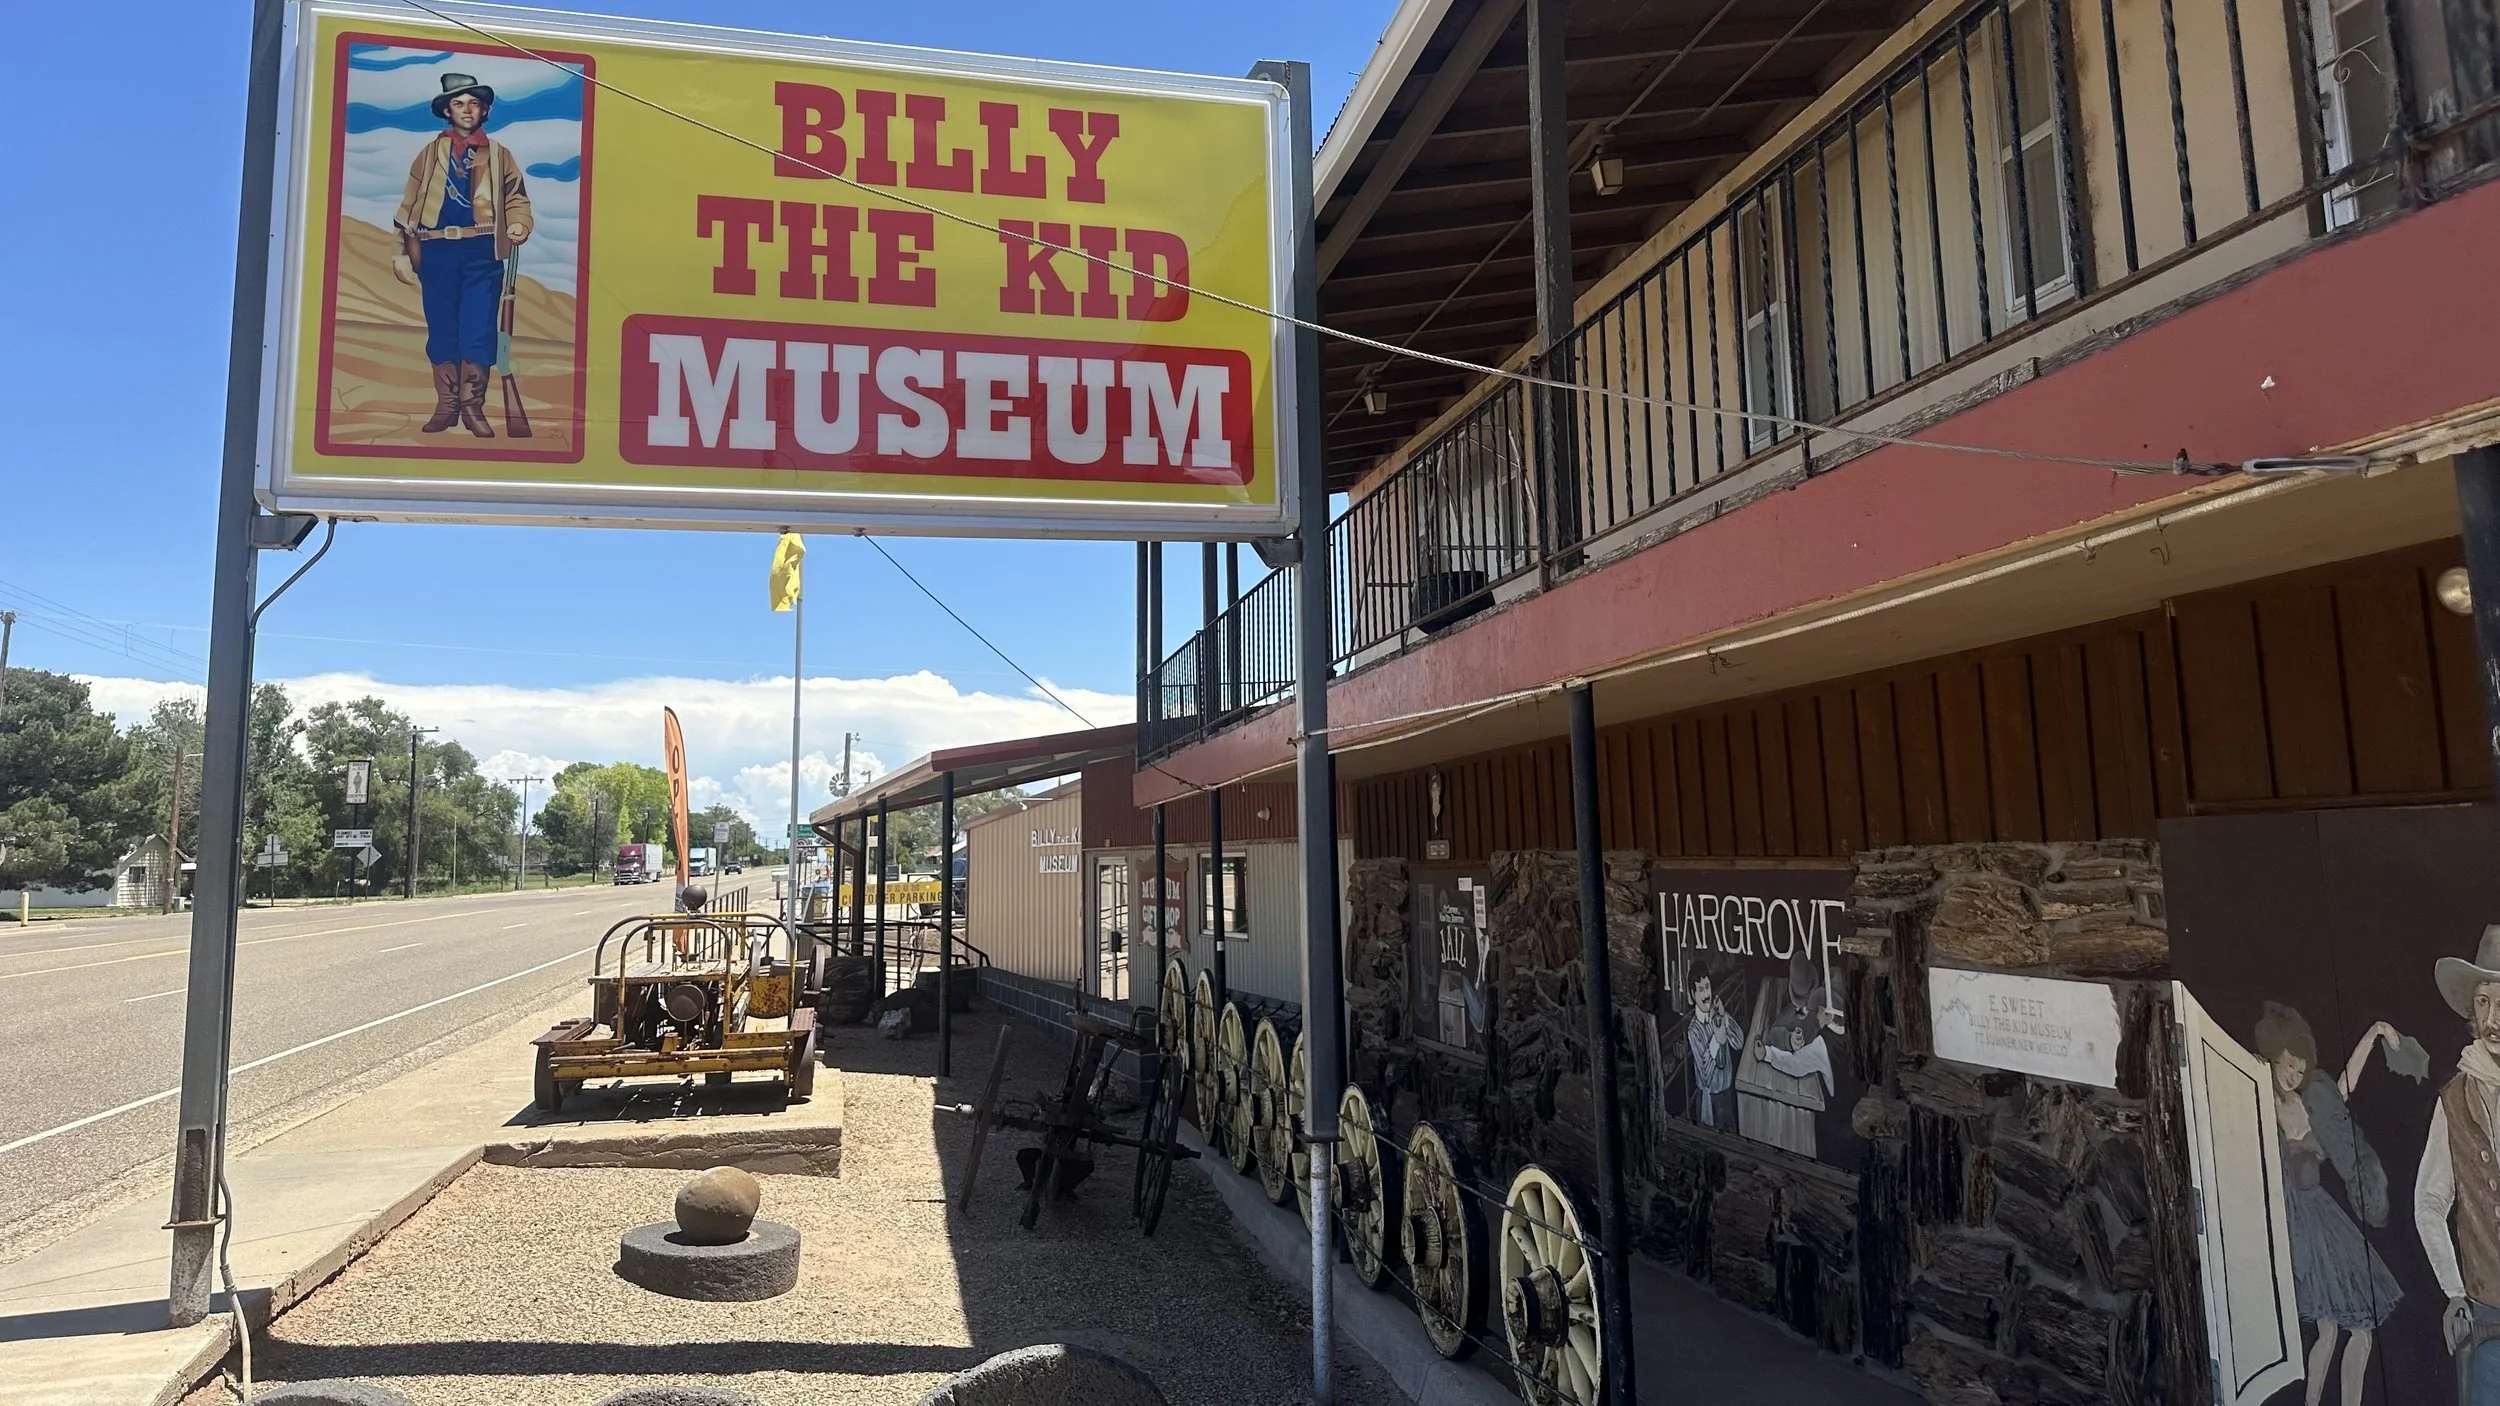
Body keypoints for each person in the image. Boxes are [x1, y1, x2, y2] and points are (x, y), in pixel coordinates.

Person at [2252, 1002, 2403, 1406]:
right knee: (2329, 1330)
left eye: (2300, 1070)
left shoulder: (2311, 1103)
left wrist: (2372, 1033)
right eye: (2287, 1066)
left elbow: (2344, 1086)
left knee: (2358, 1332)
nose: (2293, 1076)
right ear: (2271, 1059)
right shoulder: (2259, 1099)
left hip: (2322, 1217)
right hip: (2294, 1221)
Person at [390, 73, 533, 437]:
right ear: (447, 111)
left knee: (479, 330)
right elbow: (408, 206)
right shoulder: (429, 154)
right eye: (458, 104)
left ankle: (472, 407)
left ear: (484, 110)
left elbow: (516, 196)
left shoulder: (500, 155)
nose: (466, 110)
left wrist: (518, 224)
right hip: (436, 250)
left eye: (473, 103)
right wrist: (400, 253)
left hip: (482, 249)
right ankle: (447, 406)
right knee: (442, 330)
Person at [2417, 924, 2500, 1406]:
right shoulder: (2453, 1101)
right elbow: (2429, 1202)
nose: (2493, 1017)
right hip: (2490, 1315)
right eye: (2483, 1002)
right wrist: (2453, 1292)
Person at [1685, 971, 1743, 1129]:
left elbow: (1739, 1042)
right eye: (1700, 989)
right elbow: (1704, 1075)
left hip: (1727, 1093)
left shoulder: (1717, 1014)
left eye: (1707, 987)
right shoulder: (1693, 1031)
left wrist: (1724, 1016)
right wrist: (1716, 1039)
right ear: (1692, 995)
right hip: (1710, 1100)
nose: (1706, 994)